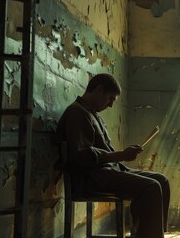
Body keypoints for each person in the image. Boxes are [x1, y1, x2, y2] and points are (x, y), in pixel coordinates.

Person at [56, 73, 170, 238]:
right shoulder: (76, 112)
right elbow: (82, 155)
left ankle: (150, 233)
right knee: (151, 186)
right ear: (99, 90)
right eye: (110, 99)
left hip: (107, 173)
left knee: (162, 180)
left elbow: (104, 152)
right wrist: (121, 155)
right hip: (91, 177)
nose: (110, 105)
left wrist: (123, 155)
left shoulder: (92, 114)